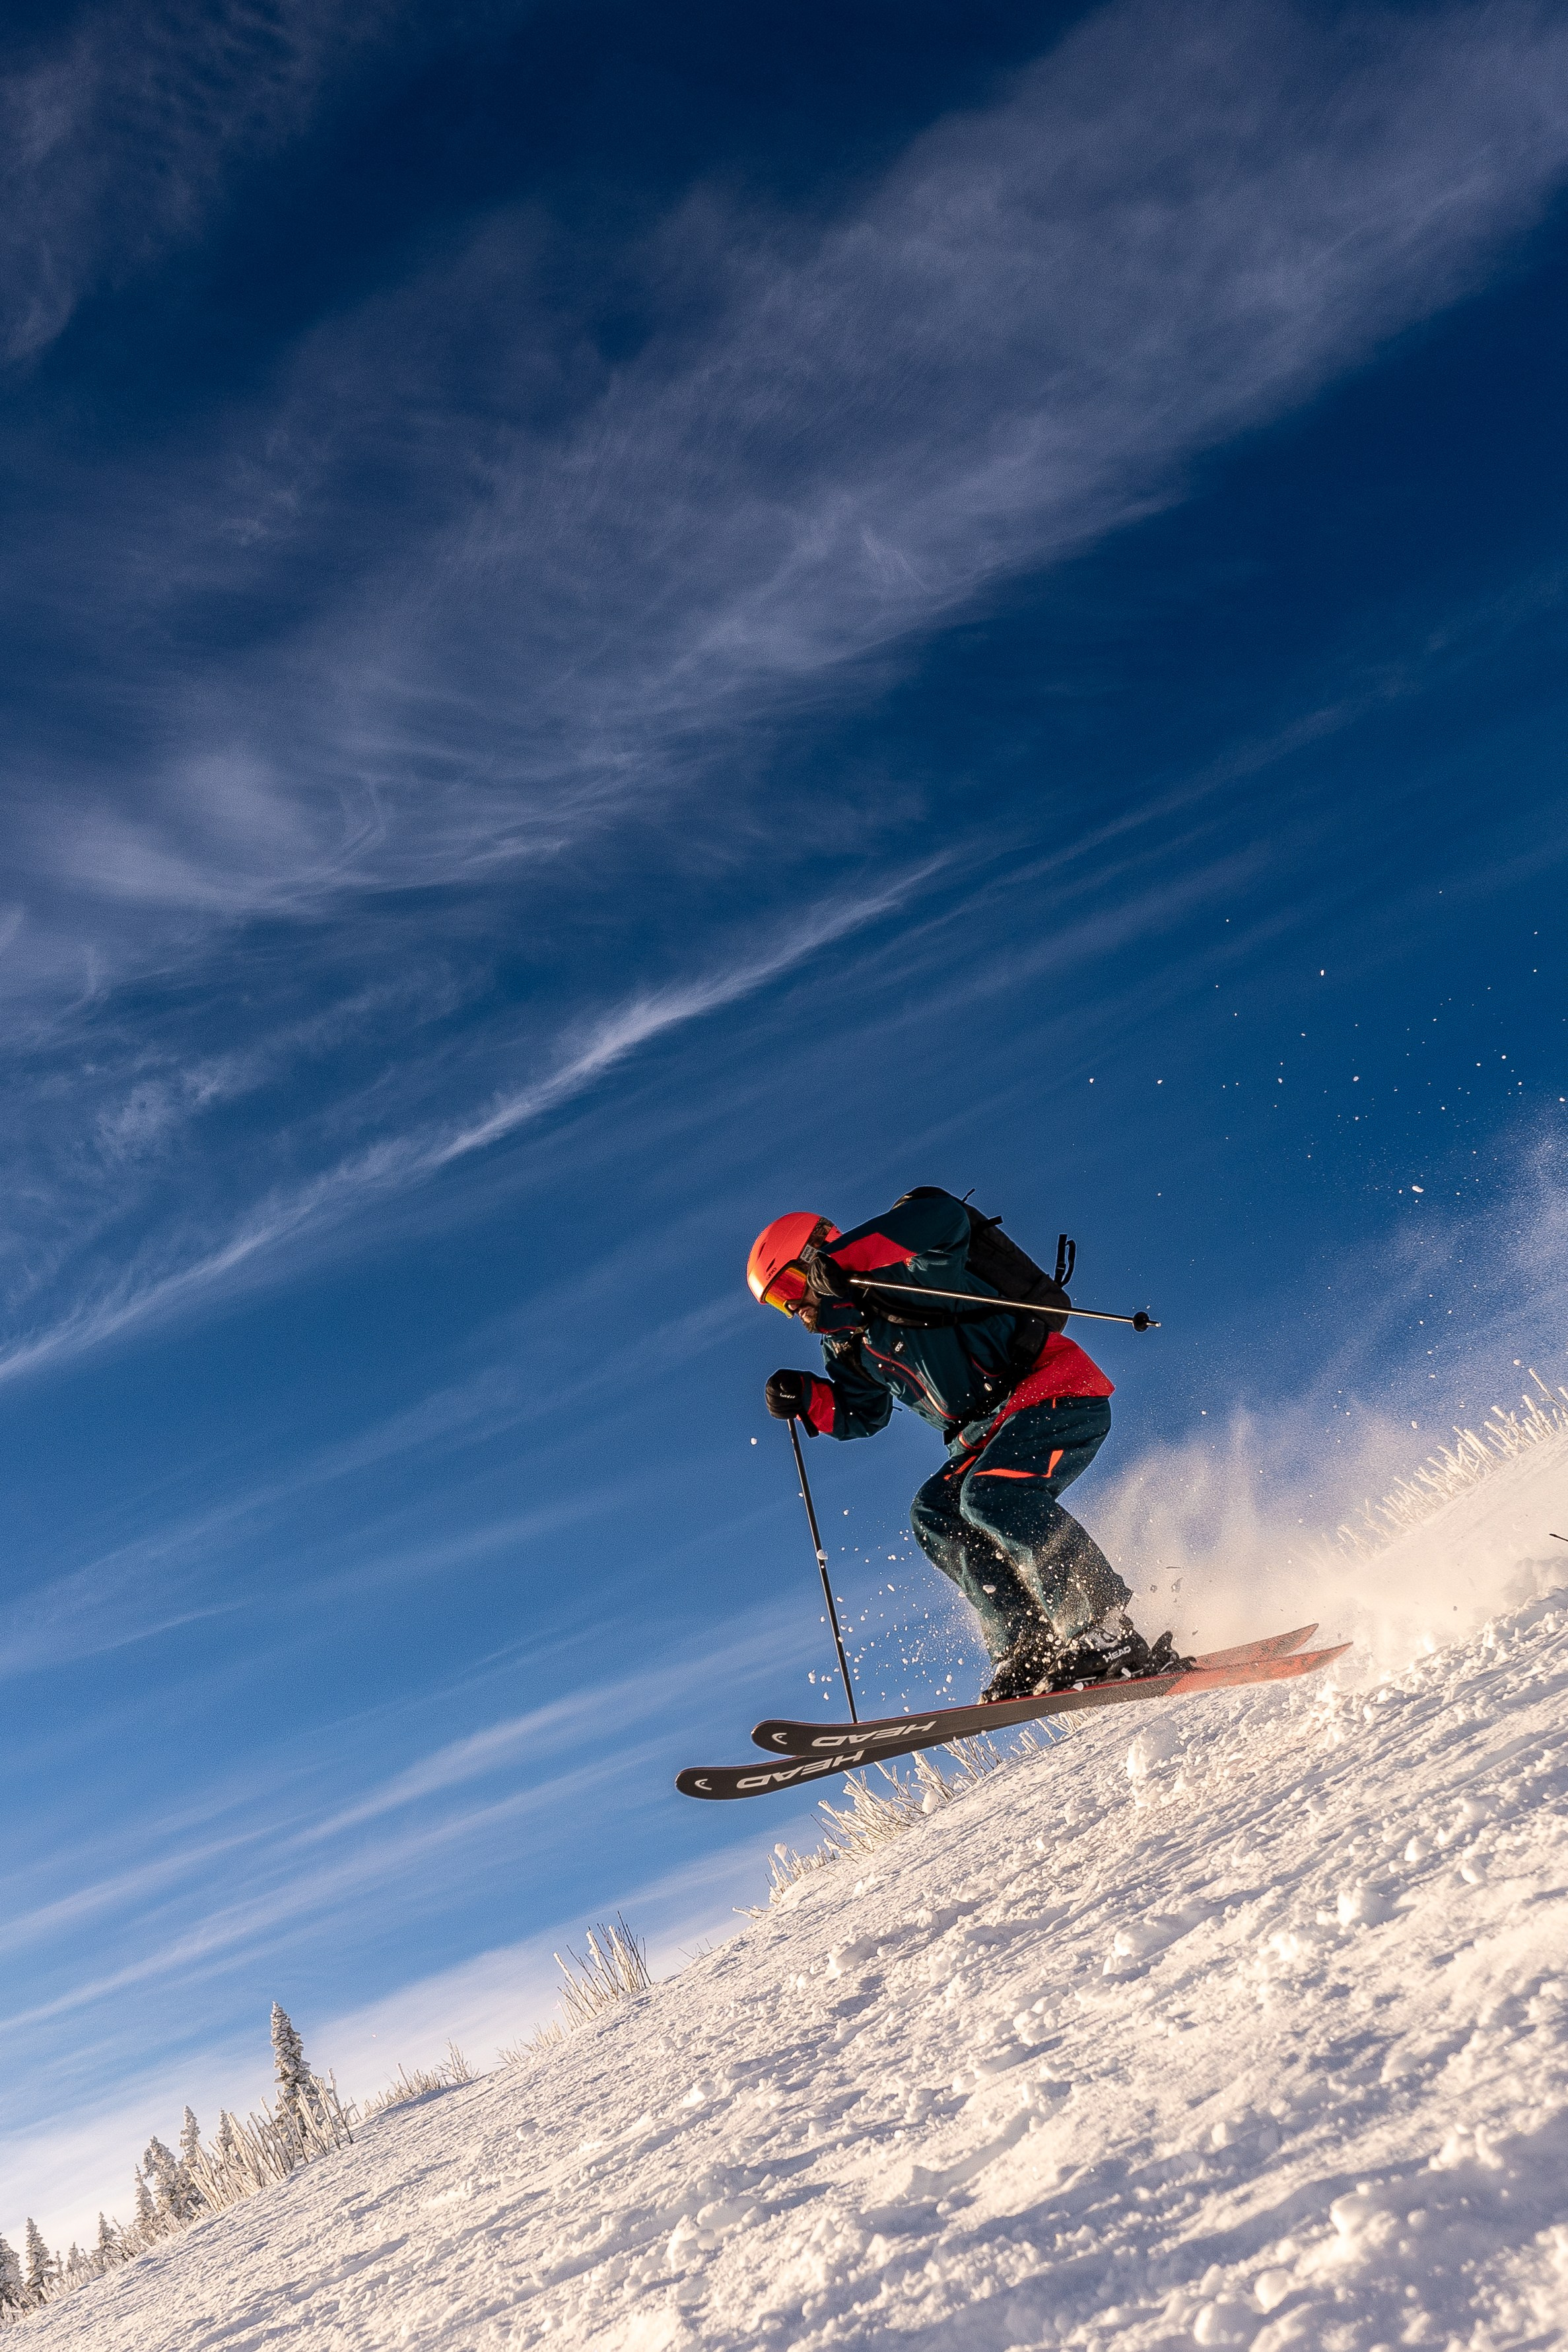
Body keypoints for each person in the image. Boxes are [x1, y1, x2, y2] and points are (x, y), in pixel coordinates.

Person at [747, 1186, 1178, 1702]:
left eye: (792, 1285)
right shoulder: (849, 1348)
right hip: (984, 1435)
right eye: (779, 1303)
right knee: (935, 1512)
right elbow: (862, 1414)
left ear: (818, 1253)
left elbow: (942, 1218)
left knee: (991, 1494)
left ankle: (1105, 1631)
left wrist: (846, 1261)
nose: (796, 1307)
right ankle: (1028, 1645)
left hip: (1055, 1395)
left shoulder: (908, 1275)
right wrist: (807, 1397)